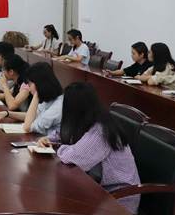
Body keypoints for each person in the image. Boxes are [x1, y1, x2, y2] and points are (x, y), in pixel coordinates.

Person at [37, 82, 141, 214]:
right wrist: (49, 139)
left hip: (119, 200)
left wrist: (60, 148)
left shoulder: (101, 131)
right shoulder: (88, 120)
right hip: (99, 190)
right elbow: (65, 135)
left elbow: (73, 158)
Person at [0, 62, 63, 137]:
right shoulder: (48, 99)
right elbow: (32, 116)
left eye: (30, 84)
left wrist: (36, 95)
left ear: (39, 84)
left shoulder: (57, 107)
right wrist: (7, 114)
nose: (29, 88)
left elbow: (27, 127)